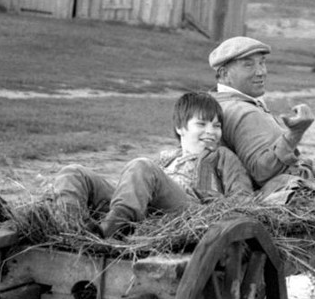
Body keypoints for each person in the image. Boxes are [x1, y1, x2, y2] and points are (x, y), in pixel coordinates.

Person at [51, 92, 253, 238]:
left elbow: (242, 201)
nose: (211, 131)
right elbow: (137, 185)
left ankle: (110, 230)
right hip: (146, 211)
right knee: (73, 172)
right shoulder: (166, 158)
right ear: (180, 128)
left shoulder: (223, 157)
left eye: (217, 126)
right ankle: (72, 230)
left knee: (142, 166)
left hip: (189, 212)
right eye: (201, 124)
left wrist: (210, 201)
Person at [209, 36, 315, 201]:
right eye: (248, 65)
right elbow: (262, 172)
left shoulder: (215, 102)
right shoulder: (244, 112)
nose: (261, 72)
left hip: (258, 187)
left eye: (262, 62)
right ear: (224, 74)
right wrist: (294, 135)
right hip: (285, 191)